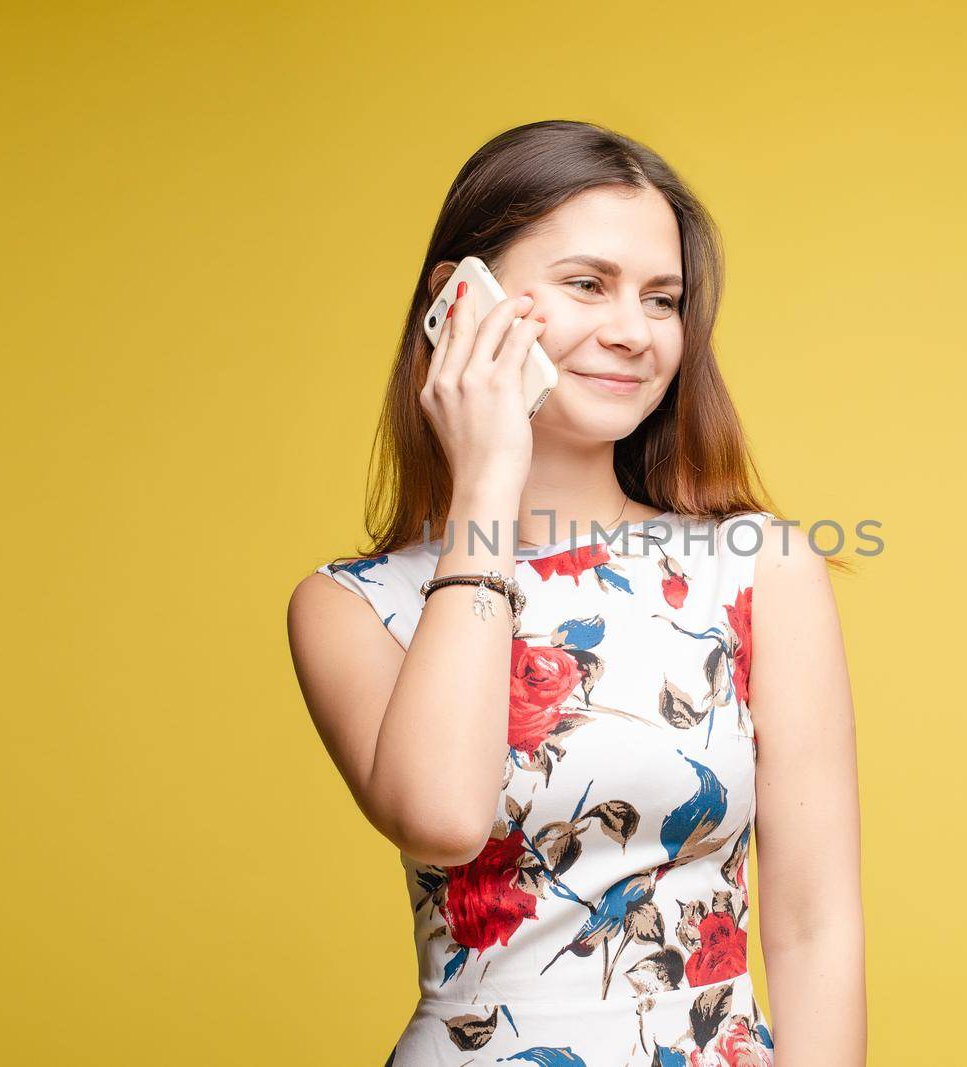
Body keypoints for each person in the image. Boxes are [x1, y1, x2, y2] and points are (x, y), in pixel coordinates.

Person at [287, 119, 865, 1065]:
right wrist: (485, 486)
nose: (633, 331)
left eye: (663, 298)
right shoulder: (352, 604)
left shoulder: (757, 567)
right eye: (586, 283)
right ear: (458, 300)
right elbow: (442, 815)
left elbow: (817, 927)